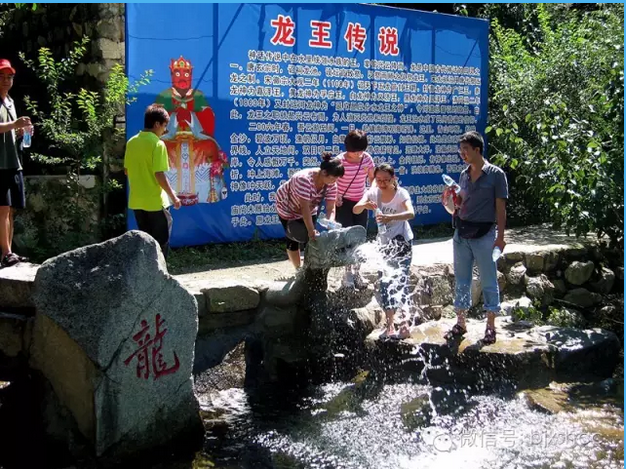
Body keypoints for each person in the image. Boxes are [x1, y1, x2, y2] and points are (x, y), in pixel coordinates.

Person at [441, 131, 508, 345]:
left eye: (465, 150)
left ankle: (490, 326)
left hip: (485, 234)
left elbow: (501, 207)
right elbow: (459, 203)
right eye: (460, 150)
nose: (462, 154)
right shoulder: (462, 175)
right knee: (462, 280)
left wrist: (501, 237)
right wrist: (450, 198)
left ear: (477, 149)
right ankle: (461, 322)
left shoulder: (496, 174)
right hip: (461, 233)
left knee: (489, 280)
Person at [354, 163, 415, 339]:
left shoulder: (401, 193)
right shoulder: (373, 193)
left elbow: (411, 213)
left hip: (402, 242)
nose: (381, 183)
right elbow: (355, 208)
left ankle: (404, 324)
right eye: (378, 180)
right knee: (386, 283)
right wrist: (365, 205)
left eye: (385, 180)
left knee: (400, 281)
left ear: (393, 178)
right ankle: (389, 325)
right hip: (384, 245)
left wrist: (390, 217)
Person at [124, 104, 181, 258]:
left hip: (137, 203)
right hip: (156, 203)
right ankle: (161, 279)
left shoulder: (131, 142)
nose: (165, 130)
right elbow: (159, 174)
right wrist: (173, 197)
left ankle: (146, 277)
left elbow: (127, 171)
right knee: (161, 244)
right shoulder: (157, 143)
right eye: (164, 126)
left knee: (146, 245)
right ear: (156, 124)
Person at [275, 152, 344, 269]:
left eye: (337, 178)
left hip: (310, 208)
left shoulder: (331, 184)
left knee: (311, 241)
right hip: (288, 208)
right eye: (333, 178)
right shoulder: (303, 179)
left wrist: (330, 222)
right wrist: (311, 230)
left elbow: (330, 207)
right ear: (323, 172)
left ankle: (309, 269)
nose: (335, 181)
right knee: (293, 238)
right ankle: (298, 270)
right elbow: (304, 208)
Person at [0, 59, 32, 267]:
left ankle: (7, 253)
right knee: (3, 208)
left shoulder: (10, 101)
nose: (6, 80)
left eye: (9, 77)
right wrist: (14, 124)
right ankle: (7, 252)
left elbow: (10, 131)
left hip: (13, 161)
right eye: (2, 77)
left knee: (10, 209)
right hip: (0, 163)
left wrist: (22, 132)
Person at [336, 129, 375, 289]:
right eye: (355, 151)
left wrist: (370, 195)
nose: (358, 154)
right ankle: (347, 274)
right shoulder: (339, 161)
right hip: (343, 203)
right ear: (348, 148)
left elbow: (372, 179)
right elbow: (333, 181)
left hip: (361, 202)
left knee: (359, 238)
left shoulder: (367, 159)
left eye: (361, 150)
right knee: (346, 238)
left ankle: (358, 273)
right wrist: (336, 195)